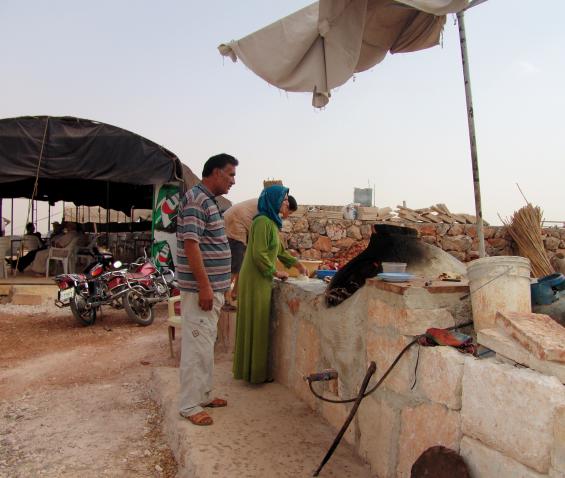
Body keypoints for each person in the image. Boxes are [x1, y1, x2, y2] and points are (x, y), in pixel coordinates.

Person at [176, 153, 238, 426]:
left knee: (204, 346)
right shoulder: (196, 200)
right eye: (230, 174)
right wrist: (204, 287)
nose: (233, 181)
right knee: (195, 347)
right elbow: (191, 245)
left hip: (213, 290)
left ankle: (203, 395)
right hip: (202, 291)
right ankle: (189, 405)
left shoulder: (209, 201)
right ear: (215, 172)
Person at [232, 186, 307, 384]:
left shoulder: (272, 223)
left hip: (260, 276)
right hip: (256, 277)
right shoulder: (262, 222)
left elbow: (279, 251)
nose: (285, 203)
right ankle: (255, 374)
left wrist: (298, 265)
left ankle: (252, 371)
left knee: (257, 323)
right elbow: (259, 254)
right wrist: (275, 272)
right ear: (273, 201)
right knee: (257, 322)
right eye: (283, 200)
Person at [224, 194, 298, 303]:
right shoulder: (268, 212)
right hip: (235, 221)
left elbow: (275, 243)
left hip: (242, 223)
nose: (287, 216)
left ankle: (235, 294)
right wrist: (275, 272)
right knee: (236, 264)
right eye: (290, 212)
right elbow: (266, 249)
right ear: (285, 206)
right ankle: (224, 297)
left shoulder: (271, 209)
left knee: (243, 261)